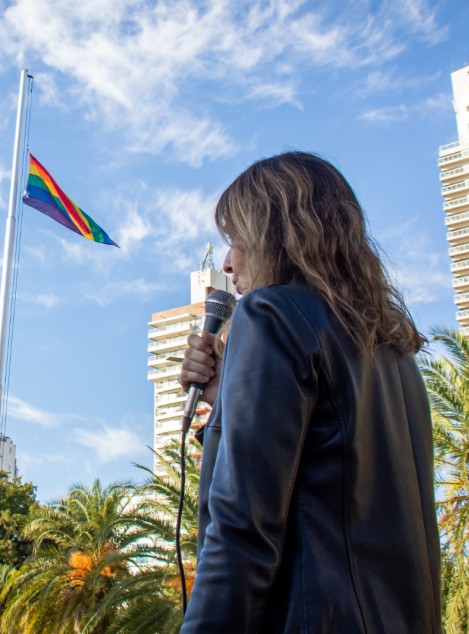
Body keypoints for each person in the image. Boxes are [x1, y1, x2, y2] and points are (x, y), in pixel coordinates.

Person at [178, 152, 440, 632]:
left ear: (276, 234)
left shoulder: (269, 314)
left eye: (236, 240)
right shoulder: (395, 354)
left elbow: (241, 529)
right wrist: (226, 395)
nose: (230, 264)